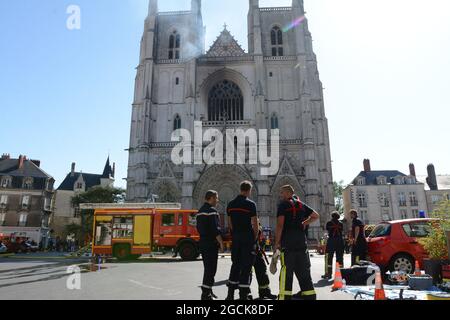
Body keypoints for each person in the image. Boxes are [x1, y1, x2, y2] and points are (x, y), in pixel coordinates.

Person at [275, 185, 320, 300]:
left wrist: (277, 243)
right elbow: (315, 216)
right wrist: (303, 223)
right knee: (303, 271)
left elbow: (280, 225)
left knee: (287, 271)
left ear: (286, 193)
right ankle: (310, 296)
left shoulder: (283, 205)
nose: (281, 195)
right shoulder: (301, 205)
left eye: (282, 193)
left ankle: (285, 297)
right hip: (301, 243)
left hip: (288, 244)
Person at [226, 181, 259, 300]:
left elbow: (230, 224)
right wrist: (254, 238)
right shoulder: (251, 204)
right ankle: (243, 295)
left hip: (236, 238)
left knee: (235, 265)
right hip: (247, 238)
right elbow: (255, 224)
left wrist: (236, 235)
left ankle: (230, 295)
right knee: (246, 266)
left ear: (240, 189)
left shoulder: (230, 204)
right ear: (249, 190)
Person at [196, 190, 224, 300]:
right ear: (211, 198)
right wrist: (221, 242)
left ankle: (208, 290)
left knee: (207, 268)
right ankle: (205, 294)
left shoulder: (200, 211)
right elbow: (215, 229)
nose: (217, 201)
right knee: (211, 269)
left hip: (203, 242)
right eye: (216, 198)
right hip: (211, 243)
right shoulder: (212, 211)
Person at [253, 222, 277, 300]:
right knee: (246, 273)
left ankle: (264, 292)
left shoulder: (254, 218)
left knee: (262, 271)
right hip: (246, 250)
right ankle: (244, 294)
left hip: (256, 249)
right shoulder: (243, 217)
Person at [322, 211, 344, 279]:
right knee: (340, 257)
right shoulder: (341, 223)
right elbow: (341, 230)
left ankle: (328, 274)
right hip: (340, 241)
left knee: (328, 257)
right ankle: (340, 273)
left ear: (332, 216)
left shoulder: (329, 223)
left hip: (331, 241)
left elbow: (328, 230)